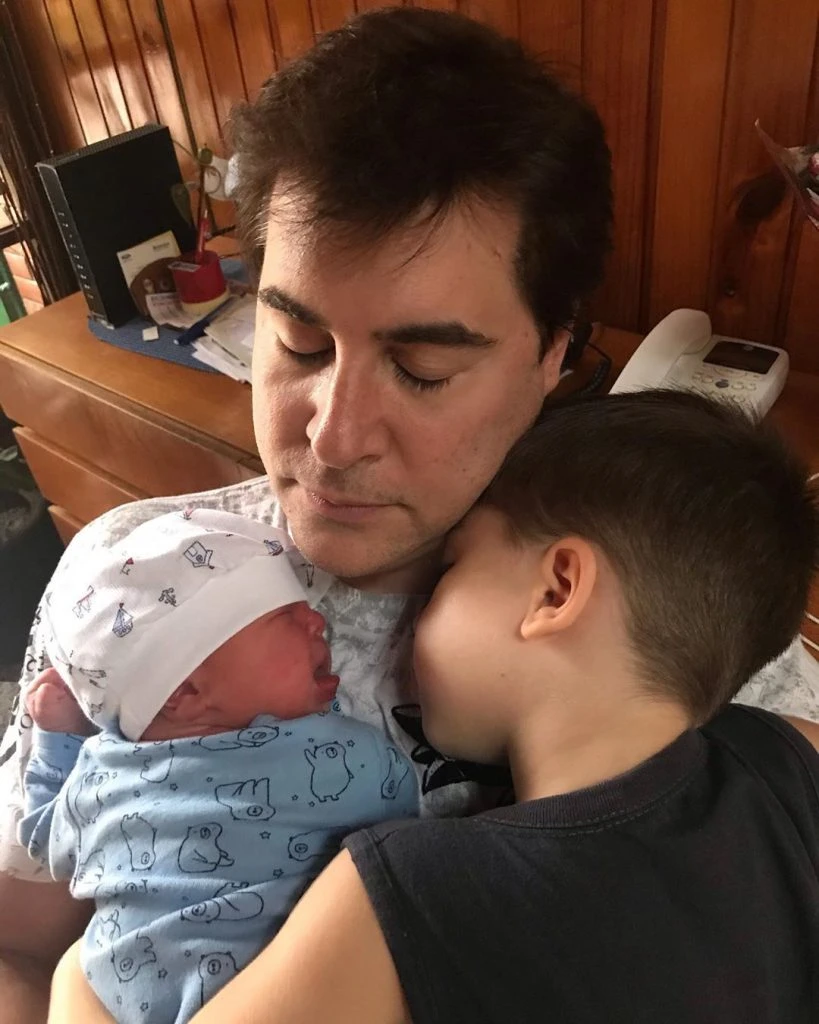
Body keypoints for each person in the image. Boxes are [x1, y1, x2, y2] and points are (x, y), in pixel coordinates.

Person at [1, 8, 817, 1020]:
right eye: (298, 344)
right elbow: (23, 940)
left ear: (553, 355)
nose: (335, 436)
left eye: (423, 369)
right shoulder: (134, 578)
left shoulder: (693, 618)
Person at [16, 508, 417, 1024]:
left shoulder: (100, 772)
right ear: (185, 690)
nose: (319, 623)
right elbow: (408, 842)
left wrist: (60, 740)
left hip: (131, 993)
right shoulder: (341, 754)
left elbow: (44, 837)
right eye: (285, 618)